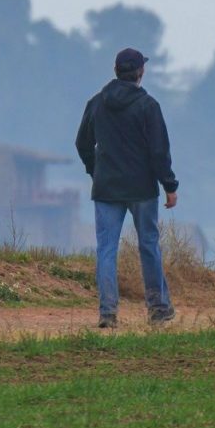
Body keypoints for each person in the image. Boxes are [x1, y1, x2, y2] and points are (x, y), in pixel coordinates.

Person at [75, 47, 179, 328]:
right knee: (148, 246)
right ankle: (158, 308)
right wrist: (169, 185)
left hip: (106, 188)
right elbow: (159, 152)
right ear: (140, 73)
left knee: (106, 249)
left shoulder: (97, 103)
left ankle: (107, 313)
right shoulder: (149, 106)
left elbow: (82, 143)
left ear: (116, 71)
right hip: (142, 189)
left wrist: (95, 171)